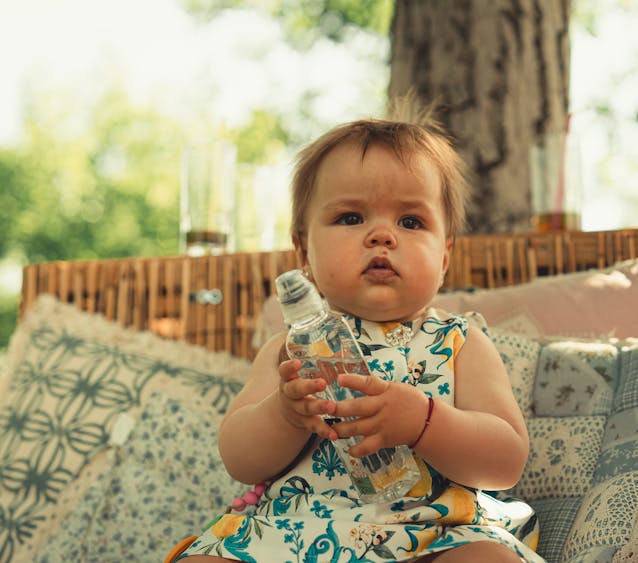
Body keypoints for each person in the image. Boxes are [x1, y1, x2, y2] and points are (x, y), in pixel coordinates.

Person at [174, 106, 542, 562]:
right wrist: (284, 415)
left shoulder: (459, 341)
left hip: (425, 535)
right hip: (295, 537)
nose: (382, 235)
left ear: (444, 256)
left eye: (411, 222)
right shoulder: (289, 349)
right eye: (351, 218)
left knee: (487, 559)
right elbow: (238, 458)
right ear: (303, 250)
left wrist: (425, 420)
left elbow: (505, 462)